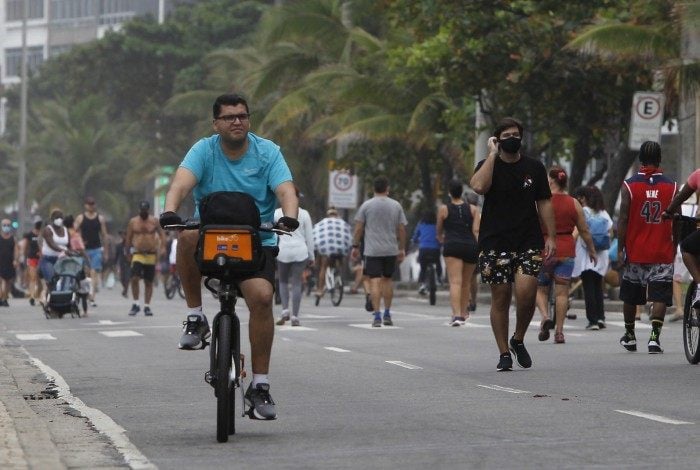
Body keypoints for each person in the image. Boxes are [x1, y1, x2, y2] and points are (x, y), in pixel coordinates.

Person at [159, 93, 298, 421]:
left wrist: (289, 216)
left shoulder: (268, 152)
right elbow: (180, 185)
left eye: (243, 116)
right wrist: (169, 210)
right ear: (216, 124)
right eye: (229, 117)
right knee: (187, 235)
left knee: (262, 297)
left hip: (256, 242)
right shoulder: (203, 150)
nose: (237, 121)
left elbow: (286, 190)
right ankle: (196, 317)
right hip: (211, 240)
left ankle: (260, 386)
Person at [470, 117, 556, 371]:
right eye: (506, 136)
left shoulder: (534, 167)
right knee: (501, 297)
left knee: (527, 294)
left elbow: (544, 202)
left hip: (528, 239)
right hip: (495, 241)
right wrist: (492, 155)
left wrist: (551, 236)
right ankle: (504, 353)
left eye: (516, 135)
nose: (512, 139)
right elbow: (478, 186)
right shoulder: (487, 165)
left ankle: (518, 339)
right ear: (497, 140)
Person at [617, 141, 677, 354]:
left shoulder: (629, 186)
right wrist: (675, 244)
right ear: (659, 159)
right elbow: (677, 220)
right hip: (662, 250)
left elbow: (623, 219)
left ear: (640, 158)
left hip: (636, 250)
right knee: (660, 296)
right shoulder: (672, 187)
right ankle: (654, 339)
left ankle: (630, 335)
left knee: (631, 295)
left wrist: (620, 248)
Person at [535, 170, 596, 344]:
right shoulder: (574, 203)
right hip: (566, 251)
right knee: (562, 293)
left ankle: (545, 316)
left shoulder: (541, 201)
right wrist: (591, 250)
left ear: (552, 181)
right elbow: (584, 230)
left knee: (540, 289)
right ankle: (559, 332)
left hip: (545, 248)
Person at [351, 176, 407, 327]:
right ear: (387, 189)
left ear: (373, 189)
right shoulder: (396, 206)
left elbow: (358, 228)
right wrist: (401, 248)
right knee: (387, 280)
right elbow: (402, 229)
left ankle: (377, 316)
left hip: (372, 250)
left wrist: (355, 246)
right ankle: (387, 313)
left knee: (374, 281)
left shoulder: (366, 206)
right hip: (390, 249)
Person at [436, 180, 480, 326]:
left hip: (452, 245)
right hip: (470, 246)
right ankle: (463, 313)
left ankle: (456, 315)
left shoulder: (444, 209)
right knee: (466, 283)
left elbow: (439, 229)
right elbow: (476, 231)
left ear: (449, 192)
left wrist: (441, 238)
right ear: (462, 192)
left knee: (455, 282)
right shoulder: (473, 209)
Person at [570, 186, 612, 332]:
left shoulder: (583, 212)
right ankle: (601, 318)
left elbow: (577, 232)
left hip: (586, 255)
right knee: (598, 287)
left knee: (588, 288)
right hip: (602, 255)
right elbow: (610, 232)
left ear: (586, 198)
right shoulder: (604, 213)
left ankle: (592, 320)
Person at [274, 188, 314, 326]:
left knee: (283, 281)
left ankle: (285, 310)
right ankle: (295, 317)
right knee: (297, 283)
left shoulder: (277, 213)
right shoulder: (304, 214)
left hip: (283, 251)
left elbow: (274, 234)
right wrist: (311, 256)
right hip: (300, 251)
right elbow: (309, 237)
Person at [124, 200, 165, 317]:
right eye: (142, 210)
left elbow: (162, 235)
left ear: (148, 210)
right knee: (134, 278)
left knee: (148, 281)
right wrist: (127, 252)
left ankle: (147, 306)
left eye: (145, 210)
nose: (143, 212)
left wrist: (163, 248)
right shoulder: (133, 222)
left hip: (151, 254)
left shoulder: (154, 221)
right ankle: (136, 303)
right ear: (139, 210)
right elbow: (128, 238)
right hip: (138, 253)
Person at [75, 196, 109, 307]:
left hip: (96, 249)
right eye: (89, 204)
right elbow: (73, 232)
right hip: (84, 250)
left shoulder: (100, 219)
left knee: (94, 273)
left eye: (93, 204)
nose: (91, 206)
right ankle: (86, 293)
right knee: (86, 273)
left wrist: (106, 251)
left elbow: (104, 235)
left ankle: (92, 297)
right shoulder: (80, 218)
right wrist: (77, 243)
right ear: (85, 205)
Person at [312, 207, 352, 302]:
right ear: (336, 214)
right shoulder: (343, 223)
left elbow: (316, 235)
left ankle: (320, 290)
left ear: (328, 215)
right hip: (340, 250)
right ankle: (339, 275)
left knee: (323, 267)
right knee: (339, 260)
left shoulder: (322, 223)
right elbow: (349, 237)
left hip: (327, 250)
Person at [412, 209, 442, 296]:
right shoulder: (438, 224)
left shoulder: (420, 224)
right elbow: (441, 235)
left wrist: (415, 241)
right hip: (435, 249)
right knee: (438, 262)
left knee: (423, 268)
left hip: (423, 249)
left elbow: (415, 237)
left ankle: (422, 284)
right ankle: (439, 278)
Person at [39, 210, 70, 288]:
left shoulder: (66, 230)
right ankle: (51, 292)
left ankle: (64, 293)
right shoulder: (47, 230)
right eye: (57, 217)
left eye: (61, 218)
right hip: (49, 260)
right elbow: (52, 244)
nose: (59, 219)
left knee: (66, 280)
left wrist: (73, 251)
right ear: (52, 219)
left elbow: (69, 244)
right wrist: (63, 250)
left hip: (63, 260)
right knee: (52, 280)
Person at [23, 218, 43, 306]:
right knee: (33, 277)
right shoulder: (29, 234)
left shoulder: (43, 234)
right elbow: (26, 246)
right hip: (31, 257)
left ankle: (39, 296)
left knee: (40, 278)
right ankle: (32, 296)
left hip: (41, 258)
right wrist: (25, 256)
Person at [0, 219, 19, 307]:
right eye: (4, 225)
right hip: (1, 262)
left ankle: (5, 298)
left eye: (8, 225)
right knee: (1, 280)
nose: (6, 227)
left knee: (7, 282)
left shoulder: (13, 239)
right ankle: (1, 298)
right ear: (1, 226)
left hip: (9, 263)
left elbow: (16, 251)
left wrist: (15, 260)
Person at [114, 230, 130, 298]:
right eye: (121, 235)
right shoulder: (119, 246)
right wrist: (114, 264)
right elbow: (116, 255)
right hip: (122, 263)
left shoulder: (131, 245)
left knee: (127, 278)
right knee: (122, 278)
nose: (123, 236)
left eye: (124, 235)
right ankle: (125, 288)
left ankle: (125, 291)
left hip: (129, 263)